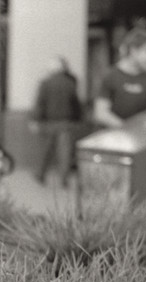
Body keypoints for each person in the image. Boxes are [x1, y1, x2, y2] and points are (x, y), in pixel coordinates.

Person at [92, 28, 146, 128]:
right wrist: (125, 128)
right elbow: (101, 113)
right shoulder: (110, 77)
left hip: (140, 135)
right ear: (134, 51)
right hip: (114, 135)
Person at [33, 56, 82, 187]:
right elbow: (75, 103)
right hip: (66, 122)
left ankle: (40, 174)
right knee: (64, 152)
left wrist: (36, 119)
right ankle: (64, 178)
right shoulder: (70, 83)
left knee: (45, 151)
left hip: (49, 122)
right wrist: (78, 119)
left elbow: (40, 102)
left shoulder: (46, 83)